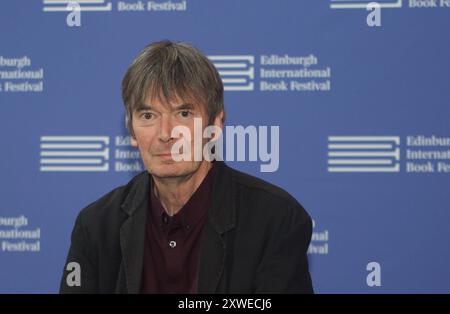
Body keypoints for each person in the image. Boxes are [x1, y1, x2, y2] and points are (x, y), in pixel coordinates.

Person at [59, 40, 313, 294]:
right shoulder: (95, 226)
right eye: (148, 116)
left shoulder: (277, 221)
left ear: (215, 124)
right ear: (132, 132)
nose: (166, 134)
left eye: (183, 114)